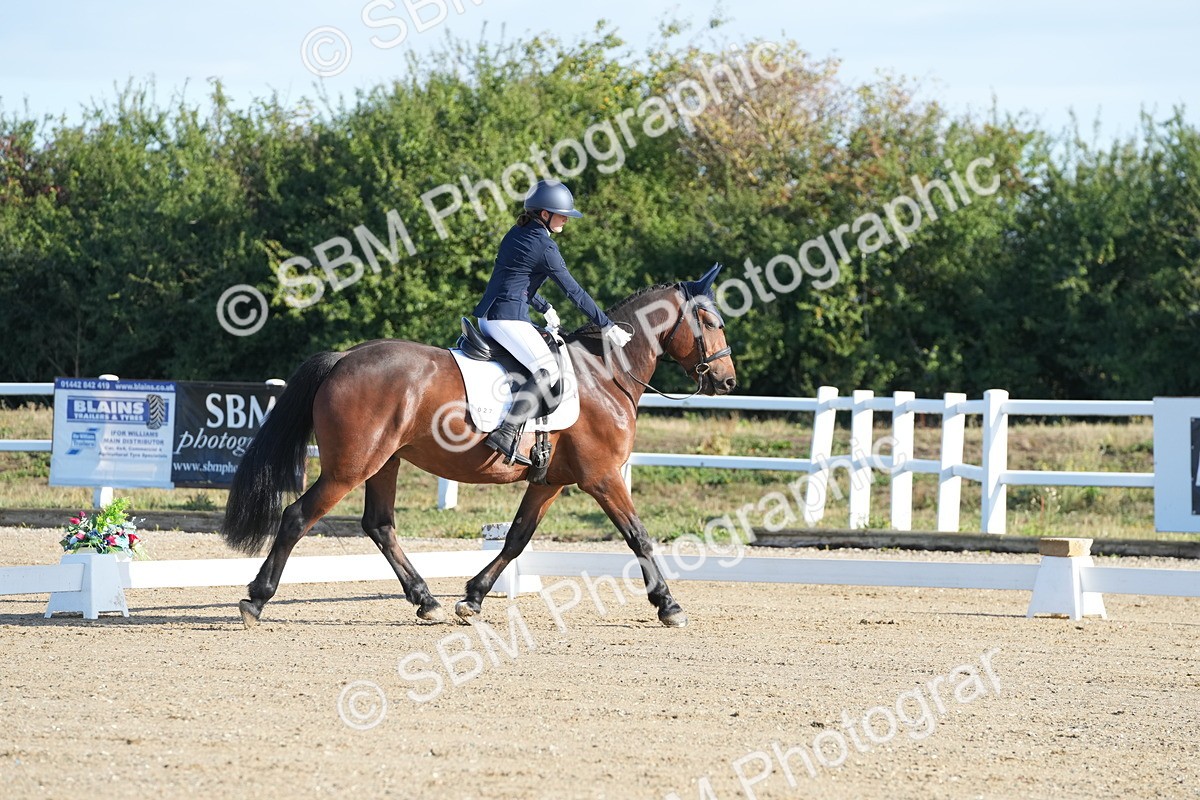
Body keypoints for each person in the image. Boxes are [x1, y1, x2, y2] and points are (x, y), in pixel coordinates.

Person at [472, 179, 633, 464]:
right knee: (546, 368)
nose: (566, 220)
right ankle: (506, 433)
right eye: (561, 215)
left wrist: (544, 307)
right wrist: (607, 324)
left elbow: (519, 282)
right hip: (507, 318)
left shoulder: (518, 232)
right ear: (544, 214)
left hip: (490, 315)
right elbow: (574, 291)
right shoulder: (544, 246)